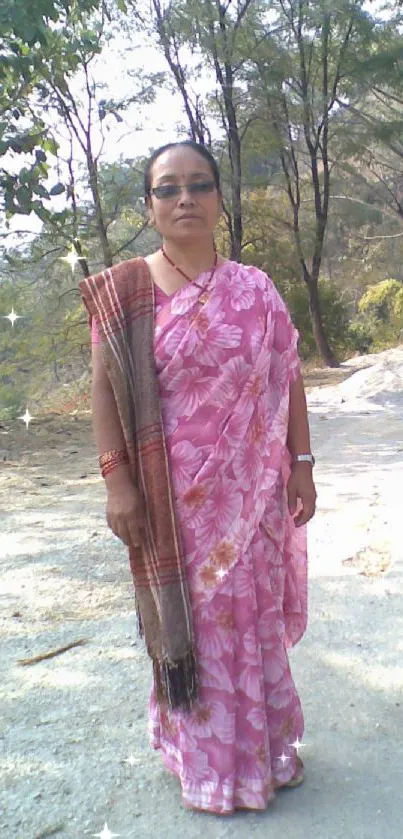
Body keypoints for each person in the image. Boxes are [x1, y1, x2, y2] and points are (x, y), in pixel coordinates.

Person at [82, 140, 316, 816]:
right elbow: (101, 390)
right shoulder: (123, 292)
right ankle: (209, 763)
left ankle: (265, 751)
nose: (184, 197)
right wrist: (116, 482)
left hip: (253, 498)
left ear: (218, 197)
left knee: (252, 624)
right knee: (198, 630)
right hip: (171, 500)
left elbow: (287, 376)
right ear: (150, 205)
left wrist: (300, 464)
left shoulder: (255, 289)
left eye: (198, 184)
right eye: (167, 188)